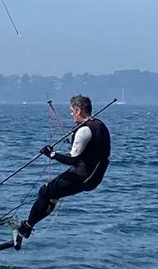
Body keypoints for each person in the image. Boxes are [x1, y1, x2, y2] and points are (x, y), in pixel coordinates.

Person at [15, 94, 110, 246]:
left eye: (72, 111)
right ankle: (28, 225)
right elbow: (88, 153)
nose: (71, 114)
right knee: (51, 193)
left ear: (79, 111)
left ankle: (27, 227)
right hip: (93, 175)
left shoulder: (84, 131)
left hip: (83, 177)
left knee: (45, 191)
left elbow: (73, 160)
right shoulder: (100, 125)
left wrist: (52, 154)